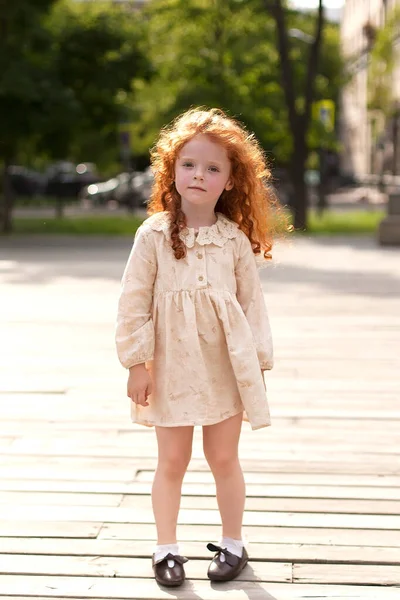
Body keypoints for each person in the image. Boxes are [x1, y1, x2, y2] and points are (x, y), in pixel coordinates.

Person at [116, 107, 278, 588]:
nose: (199, 175)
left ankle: (233, 543)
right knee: (172, 460)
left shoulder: (234, 241)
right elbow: (133, 302)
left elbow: (253, 306)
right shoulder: (153, 236)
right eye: (189, 164)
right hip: (168, 366)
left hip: (226, 366)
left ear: (230, 180)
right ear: (172, 170)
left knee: (223, 457)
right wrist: (136, 364)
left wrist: (258, 365)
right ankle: (166, 547)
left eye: (212, 168)